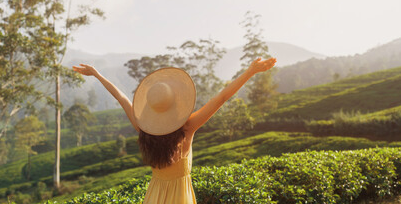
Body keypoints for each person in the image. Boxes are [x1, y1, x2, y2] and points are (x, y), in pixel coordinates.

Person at [72, 57, 276, 204]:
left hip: (153, 196)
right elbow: (221, 98)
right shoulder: (187, 128)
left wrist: (97, 74)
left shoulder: (143, 127)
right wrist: (251, 71)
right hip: (181, 198)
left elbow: (122, 98)